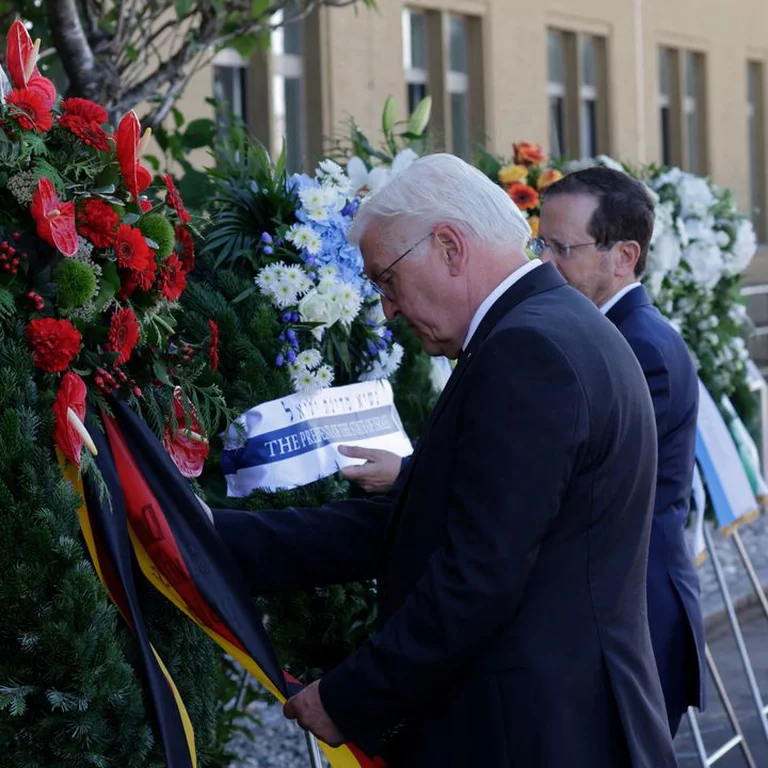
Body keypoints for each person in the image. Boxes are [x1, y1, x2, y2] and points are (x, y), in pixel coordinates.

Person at [213, 154, 677, 767]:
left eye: (387, 280)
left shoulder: (526, 350)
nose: (388, 309)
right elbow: (422, 523)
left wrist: (350, 695)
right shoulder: (548, 328)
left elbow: (478, 574)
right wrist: (211, 537)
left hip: (534, 734)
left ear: (450, 246)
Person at [536, 166, 705, 737]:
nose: (545, 263)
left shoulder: (640, 348)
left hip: (633, 619)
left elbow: (573, 478)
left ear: (625, 256)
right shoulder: (616, 334)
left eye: (563, 247)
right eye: (540, 243)